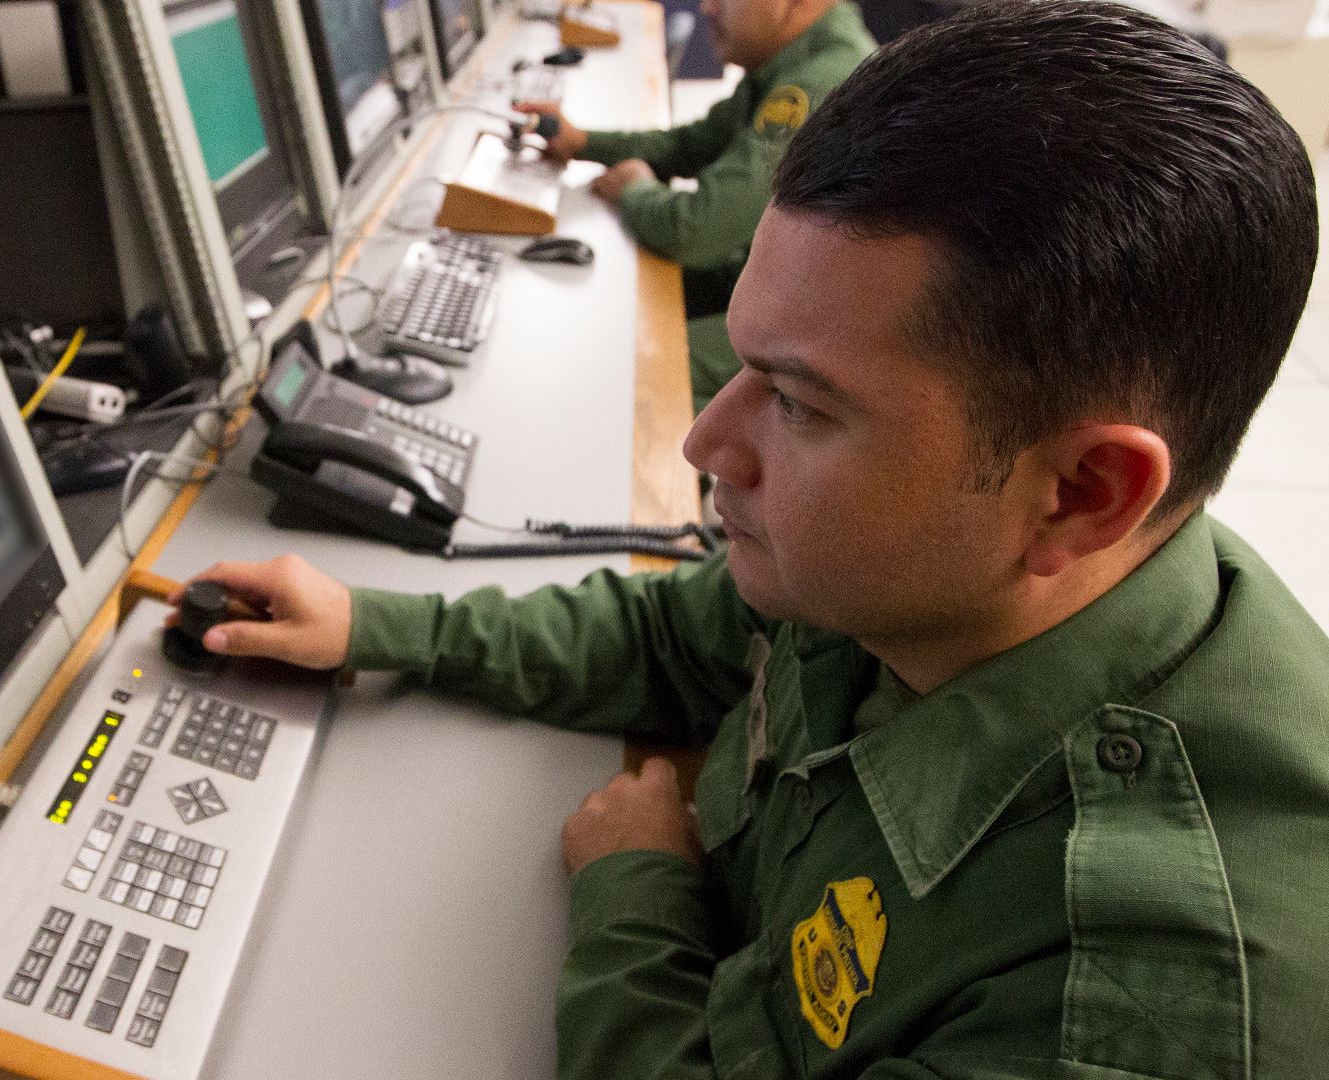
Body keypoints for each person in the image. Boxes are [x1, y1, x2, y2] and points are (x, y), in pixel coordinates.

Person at [174, 2, 1328, 1076]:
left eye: (800, 402)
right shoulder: (916, 565)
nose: (707, 446)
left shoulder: (1134, 996)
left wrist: (637, 900)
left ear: (1082, 493)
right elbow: (678, 635)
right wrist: (374, 623)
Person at [522, 0, 875, 409]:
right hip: (793, 285)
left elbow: (697, 229)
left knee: (633, 370)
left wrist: (635, 190)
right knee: (615, 309)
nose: (707, 8)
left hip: (826, 332)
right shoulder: (800, 55)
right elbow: (693, 144)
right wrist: (585, 143)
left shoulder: (817, 83)